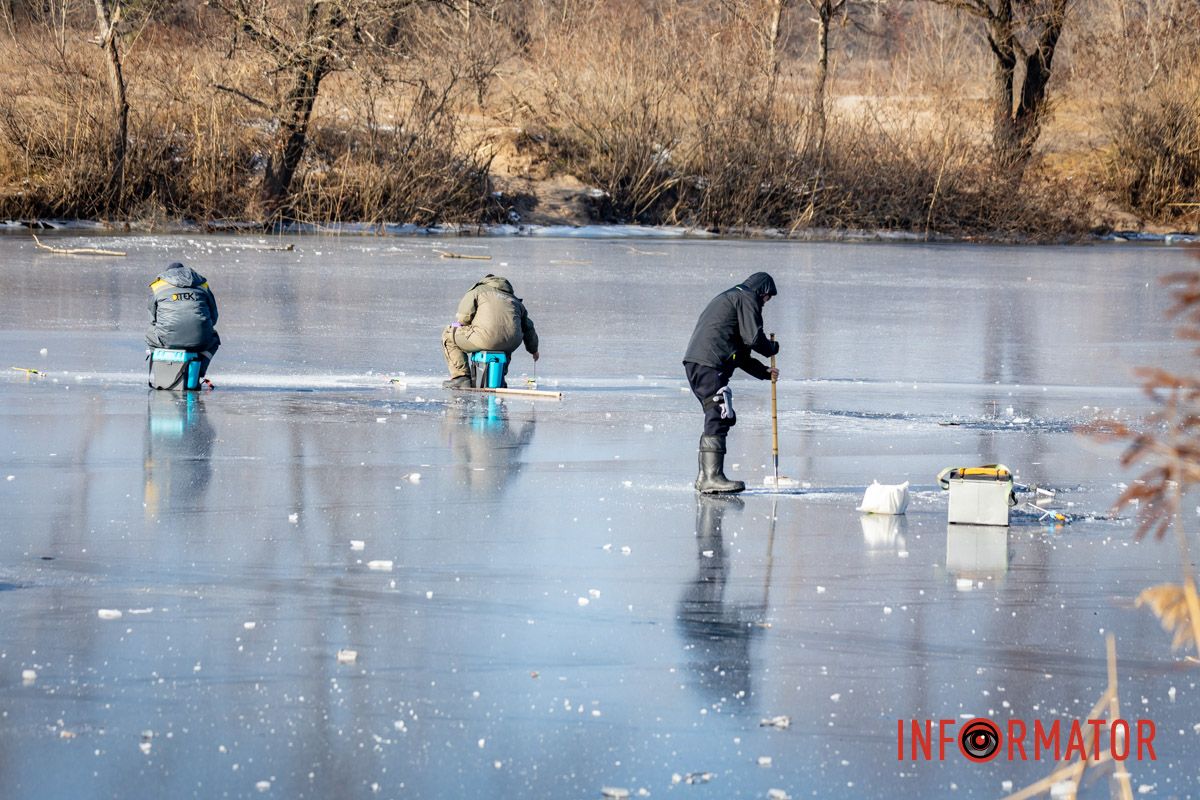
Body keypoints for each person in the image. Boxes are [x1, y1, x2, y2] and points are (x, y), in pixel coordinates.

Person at [682, 272, 779, 493]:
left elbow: (740, 355)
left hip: (700, 362)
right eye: (767, 298)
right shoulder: (746, 297)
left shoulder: (734, 300)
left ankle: (705, 476)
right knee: (718, 411)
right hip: (709, 362)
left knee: (717, 412)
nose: (765, 303)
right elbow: (754, 339)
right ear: (761, 291)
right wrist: (771, 349)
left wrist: (764, 372)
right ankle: (712, 477)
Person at [442, 274, 539, 389]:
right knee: (504, 342)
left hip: (484, 338)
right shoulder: (514, 300)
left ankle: (461, 377)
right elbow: (529, 328)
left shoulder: (477, 291)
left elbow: (463, 318)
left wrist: (462, 327)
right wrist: (533, 350)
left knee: (448, 335)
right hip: (511, 342)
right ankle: (499, 378)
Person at [145, 262, 220, 378]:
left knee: (150, 334)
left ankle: (163, 370)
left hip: (168, 339)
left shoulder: (158, 286)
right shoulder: (202, 285)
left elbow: (153, 319)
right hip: (199, 339)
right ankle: (199, 370)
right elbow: (214, 317)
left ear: (167, 274)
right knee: (214, 340)